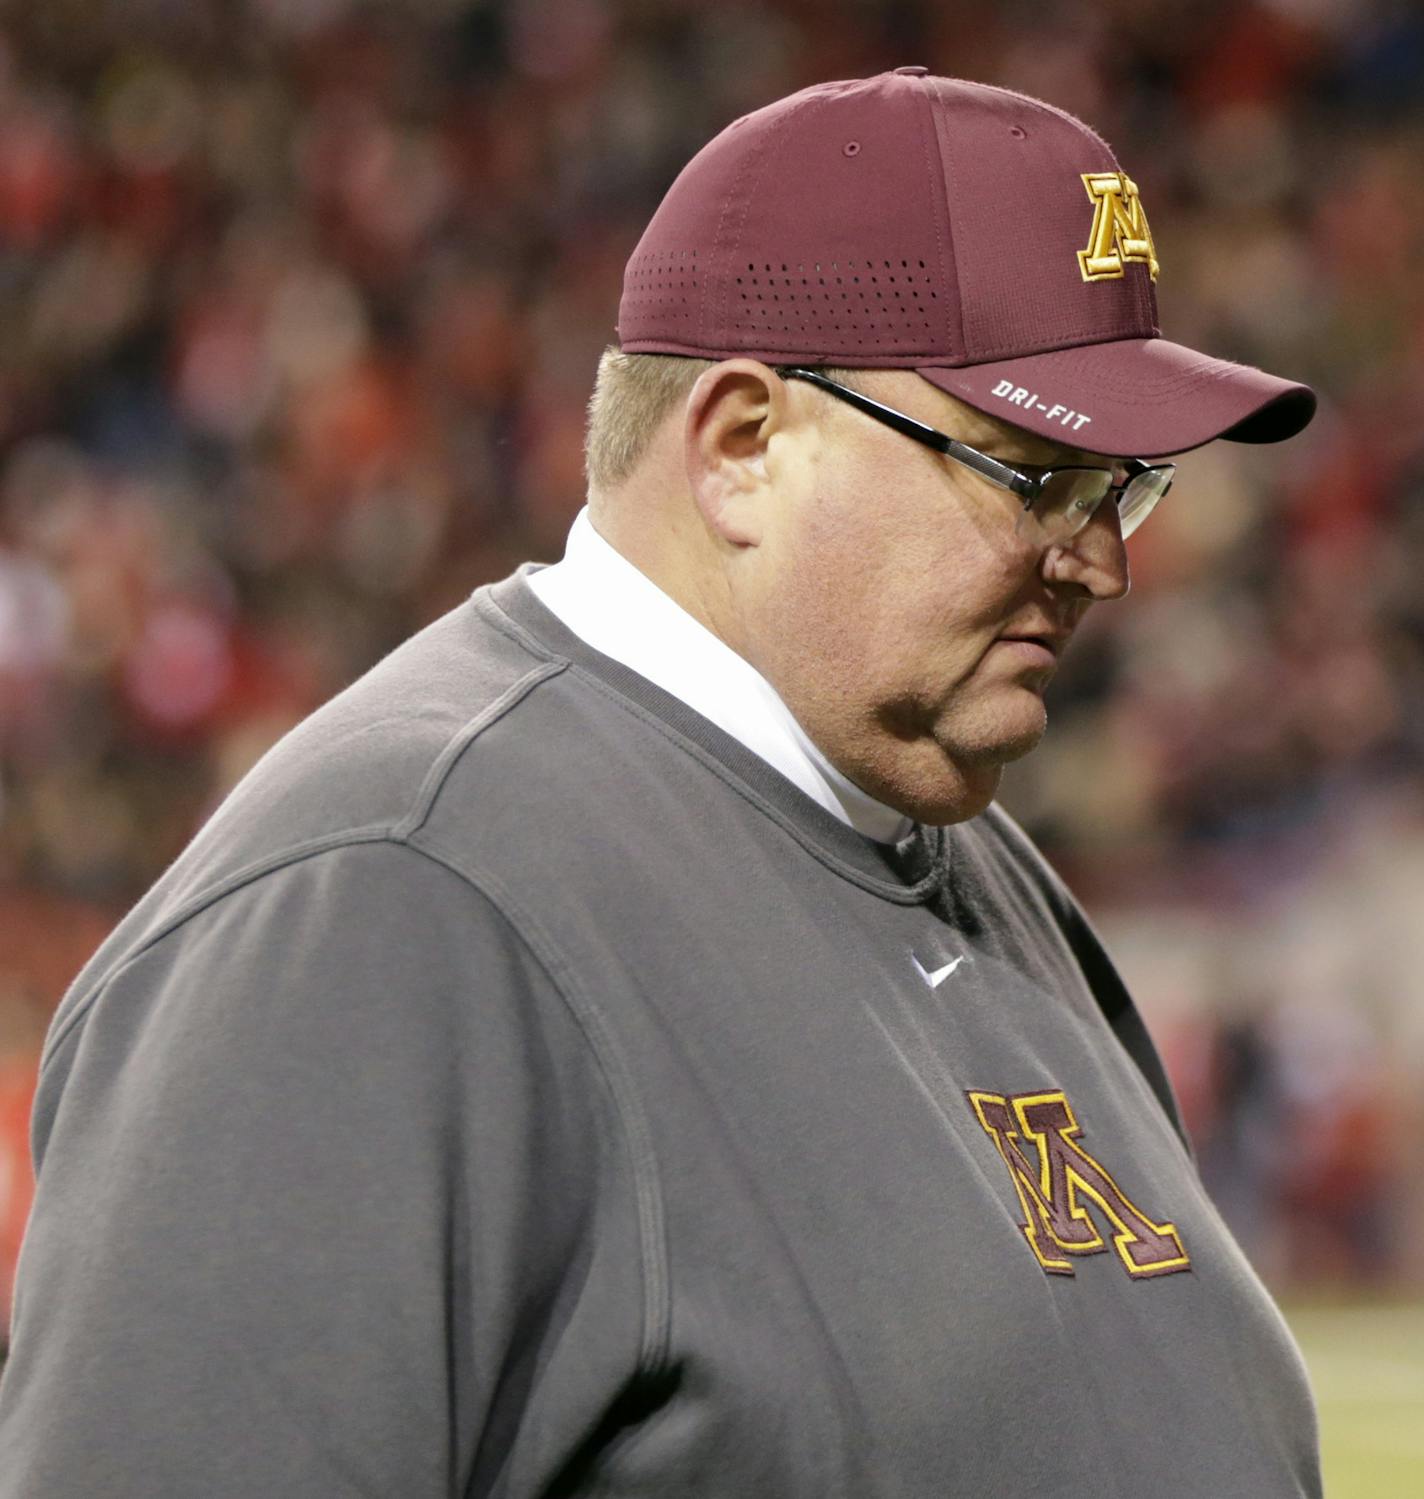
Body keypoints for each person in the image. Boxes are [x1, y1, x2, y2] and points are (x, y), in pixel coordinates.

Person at [0, 70, 1322, 1497]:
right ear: (745, 446)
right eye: (1032, 477)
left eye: (1119, 485)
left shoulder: (962, 847)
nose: (1105, 561)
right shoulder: (385, 900)